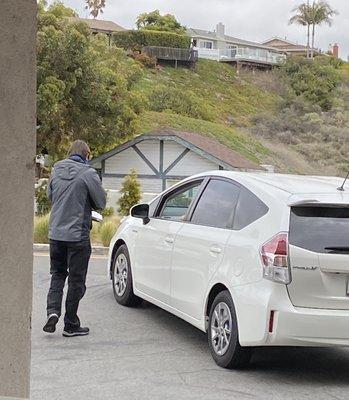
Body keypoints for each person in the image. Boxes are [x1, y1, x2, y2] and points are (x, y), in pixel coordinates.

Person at [43, 140, 106, 337]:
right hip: (77, 235)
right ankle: (70, 324)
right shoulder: (88, 173)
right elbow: (101, 202)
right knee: (76, 280)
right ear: (87, 155)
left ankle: (53, 312)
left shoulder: (56, 170)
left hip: (56, 234)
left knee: (58, 274)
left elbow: (50, 196)